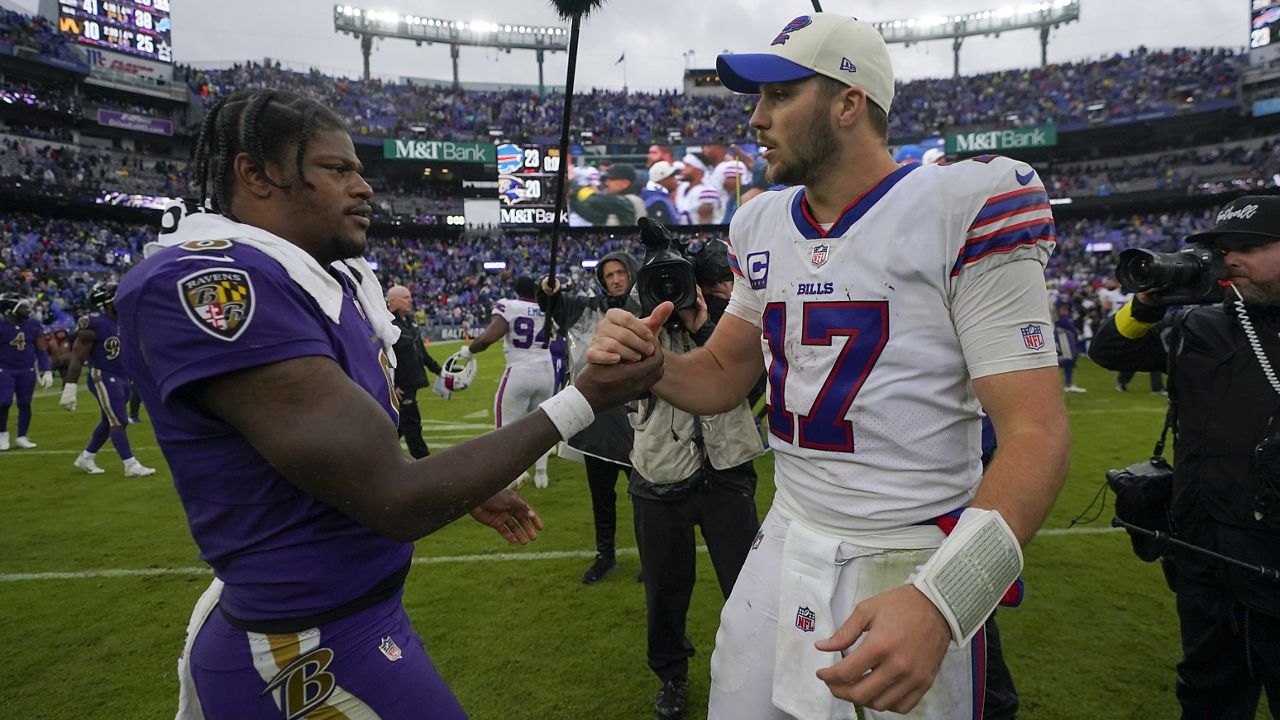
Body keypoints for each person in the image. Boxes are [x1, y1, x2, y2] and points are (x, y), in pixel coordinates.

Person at [111, 88, 662, 719]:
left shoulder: (322, 277)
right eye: (337, 169)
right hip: (301, 644)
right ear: (255, 174)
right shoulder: (214, 281)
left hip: (354, 613)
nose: (364, 186)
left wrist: (455, 483)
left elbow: (352, 462)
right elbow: (391, 497)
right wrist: (584, 399)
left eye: (359, 169)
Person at [588, 14, 1069, 718]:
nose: (756, 118)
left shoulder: (963, 204)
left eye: (779, 95)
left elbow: (1037, 435)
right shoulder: (760, 223)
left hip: (908, 546)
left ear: (849, 103)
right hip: (788, 528)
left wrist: (943, 602)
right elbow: (724, 373)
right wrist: (650, 364)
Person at [1089, 195, 1280, 719]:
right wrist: (1149, 301)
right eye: (1223, 249)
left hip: (1274, 553)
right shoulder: (1199, 324)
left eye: (1248, 247)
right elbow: (1110, 352)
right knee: (1207, 692)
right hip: (1204, 550)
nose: (1229, 259)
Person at [626, 238, 765, 719]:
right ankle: (672, 676)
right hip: (658, 471)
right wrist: (649, 321)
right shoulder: (639, 318)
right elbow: (607, 381)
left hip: (726, 471)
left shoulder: (732, 318)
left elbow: (757, 383)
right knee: (664, 590)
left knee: (749, 586)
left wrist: (705, 326)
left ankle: (757, 672)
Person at [539, 250, 641, 584]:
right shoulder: (591, 307)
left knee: (645, 498)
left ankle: (652, 556)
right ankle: (605, 556)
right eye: (609, 275)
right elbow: (556, 307)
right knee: (602, 497)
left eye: (620, 273)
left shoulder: (644, 306)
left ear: (631, 273)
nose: (615, 279)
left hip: (639, 420)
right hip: (598, 419)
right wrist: (548, 291)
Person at [460, 276, 557, 488]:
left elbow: (488, 338)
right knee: (542, 425)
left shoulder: (510, 305)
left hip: (519, 371)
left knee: (505, 428)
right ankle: (542, 474)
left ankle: (512, 475)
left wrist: (469, 350)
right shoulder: (547, 307)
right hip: (546, 372)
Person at [59, 282, 156, 477]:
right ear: (107, 302)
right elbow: (77, 357)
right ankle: (130, 465)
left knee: (108, 421)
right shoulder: (94, 324)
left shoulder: (124, 321)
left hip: (122, 377)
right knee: (118, 421)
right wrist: (70, 387)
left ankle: (86, 457)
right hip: (103, 376)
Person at [386, 284, 443, 459]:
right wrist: (391, 384)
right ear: (393, 301)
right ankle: (426, 467)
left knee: (401, 427)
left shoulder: (410, 322)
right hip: (400, 388)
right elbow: (380, 355)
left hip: (411, 384)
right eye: (406, 297)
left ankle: (375, 458)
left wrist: (441, 371)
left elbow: (421, 353)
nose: (410, 300)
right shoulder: (386, 324)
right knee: (412, 427)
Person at [0, 293, 53, 450]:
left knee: (25, 403)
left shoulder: (33, 324)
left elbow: (41, 349)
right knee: (4, 402)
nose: (27, 310)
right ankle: (2, 434)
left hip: (27, 369)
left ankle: (22, 436)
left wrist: (47, 370)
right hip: (5, 369)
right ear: (10, 310)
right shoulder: (1, 326)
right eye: (22, 307)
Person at [1054, 302, 1087, 392]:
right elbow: (1066, 324)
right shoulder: (1062, 318)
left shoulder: (1064, 317)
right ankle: (1067, 383)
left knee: (1069, 360)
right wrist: (1075, 330)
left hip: (1065, 337)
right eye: (1063, 308)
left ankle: (1069, 383)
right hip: (1063, 337)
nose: (1066, 310)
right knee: (1067, 360)